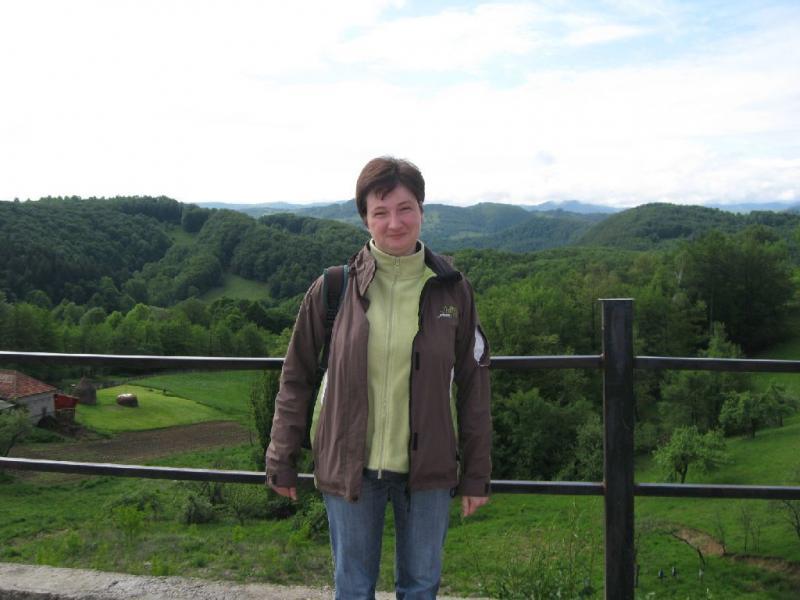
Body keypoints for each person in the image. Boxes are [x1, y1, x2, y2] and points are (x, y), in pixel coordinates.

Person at [266, 156, 492, 599]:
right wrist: (281, 458)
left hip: (429, 469)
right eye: (380, 212)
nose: (394, 223)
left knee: (421, 587)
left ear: (422, 210)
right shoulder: (335, 288)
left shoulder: (453, 290)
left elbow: (473, 385)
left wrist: (476, 473)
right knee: (352, 587)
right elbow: (296, 377)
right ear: (365, 218)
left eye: (405, 208)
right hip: (351, 465)